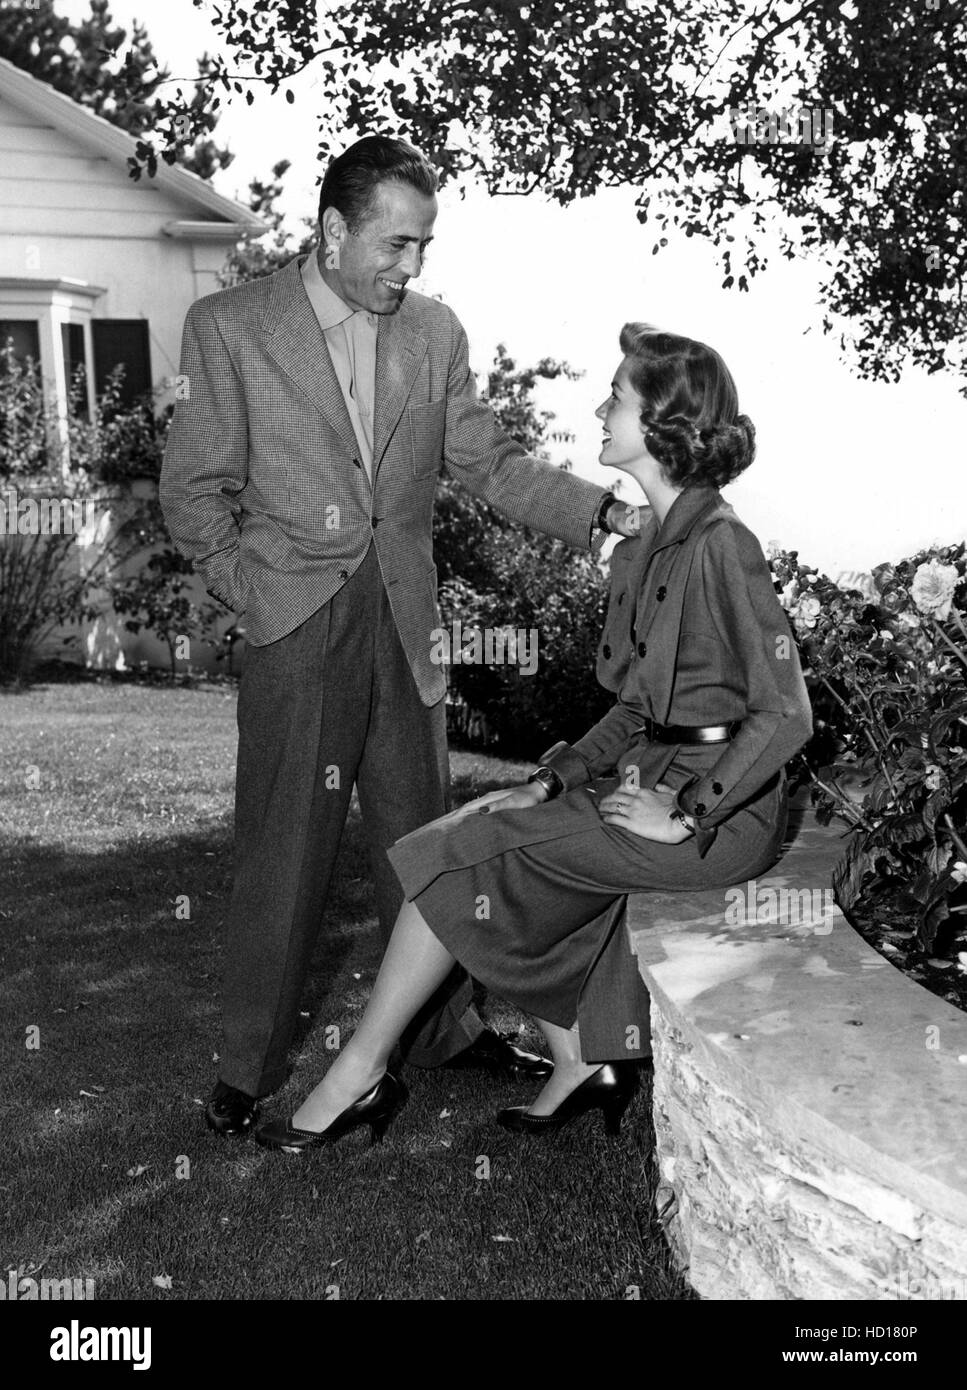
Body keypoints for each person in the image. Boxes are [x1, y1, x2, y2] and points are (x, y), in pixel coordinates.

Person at [160, 136, 638, 1139]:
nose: (409, 267)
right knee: (283, 846)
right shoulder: (230, 327)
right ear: (333, 233)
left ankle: (442, 1030)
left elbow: (491, 462)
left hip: (405, 616)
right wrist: (256, 591)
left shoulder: (434, 332)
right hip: (297, 620)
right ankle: (250, 1064)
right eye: (394, 244)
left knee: (425, 842)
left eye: (422, 246)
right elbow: (195, 492)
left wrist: (598, 514)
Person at [254, 323, 815, 1152]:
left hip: (719, 819)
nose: (598, 407)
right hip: (648, 781)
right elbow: (634, 709)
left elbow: (786, 711)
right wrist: (552, 780)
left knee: (458, 854)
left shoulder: (722, 547)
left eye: (616, 397)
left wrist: (690, 812)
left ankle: (361, 1069)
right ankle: (578, 1059)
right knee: (470, 843)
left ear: (661, 424)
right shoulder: (646, 549)